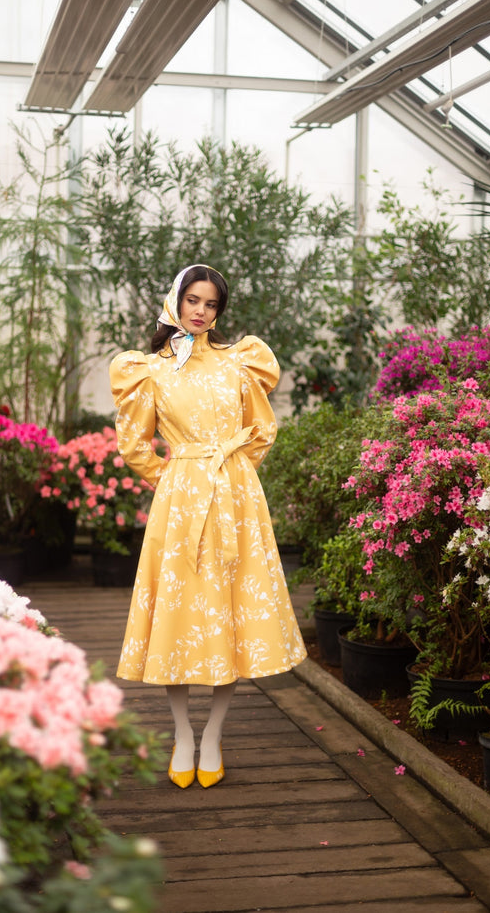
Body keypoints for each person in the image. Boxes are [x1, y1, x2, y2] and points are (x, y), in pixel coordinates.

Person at [109, 264, 306, 789]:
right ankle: (181, 734)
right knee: (176, 619)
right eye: (193, 300)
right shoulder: (148, 370)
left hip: (235, 500)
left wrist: (232, 475)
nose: (200, 311)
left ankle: (213, 735)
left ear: (220, 310)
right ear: (176, 299)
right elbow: (133, 444)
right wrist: (176, 476)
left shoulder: (238, 361)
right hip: (181, 503)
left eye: (211, 304)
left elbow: (262, 431)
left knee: (231, 617)